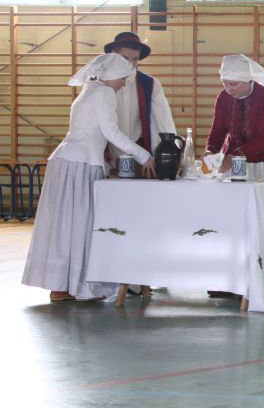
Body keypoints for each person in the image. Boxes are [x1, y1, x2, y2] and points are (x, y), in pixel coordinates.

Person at [22, 53, 156, 302]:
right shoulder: (104, 93)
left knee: (64, 223)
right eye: (122, 79)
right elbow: (111, 132)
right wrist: (143, 155)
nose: (123, 84)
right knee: (82, 222)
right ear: (112, 76)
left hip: (67, 161)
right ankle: (81, 285)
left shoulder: (89, 89)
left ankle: (61, 285)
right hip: (81, 164)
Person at [203, 54, 264, 296]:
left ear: (248, 80)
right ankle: (230, 278)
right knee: (233, 220)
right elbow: (217, 130)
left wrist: (234, 158)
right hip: (234, 162)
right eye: (224, 83)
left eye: (233, 84)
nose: (228, 88)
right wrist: (210, 150)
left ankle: (262, 275)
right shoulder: (223, 97)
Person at [103, 32, 176, 168]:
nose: (130, 64)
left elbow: (162, 122)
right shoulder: (100, 82)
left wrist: (167, 155)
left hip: (139, 156)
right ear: (113, 54)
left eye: (135, 59)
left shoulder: (151, 84)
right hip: (104, 154)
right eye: (125, 58)